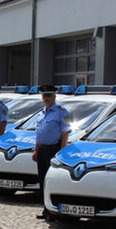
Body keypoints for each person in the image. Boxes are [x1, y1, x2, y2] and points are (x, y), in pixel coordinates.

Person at [32, 84, 70, 219]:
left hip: (53, 150)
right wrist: (36, 150)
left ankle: (53, 211)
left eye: (48, 95)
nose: (46, 98)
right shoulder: (41, 112)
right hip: (42, 150)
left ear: (54, 96)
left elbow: (66, 132)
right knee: (42, 180)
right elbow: (39, 133)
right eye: (44, 95)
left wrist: (61, 151)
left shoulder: (61, 111)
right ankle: (45, 209)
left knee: (51, 181)